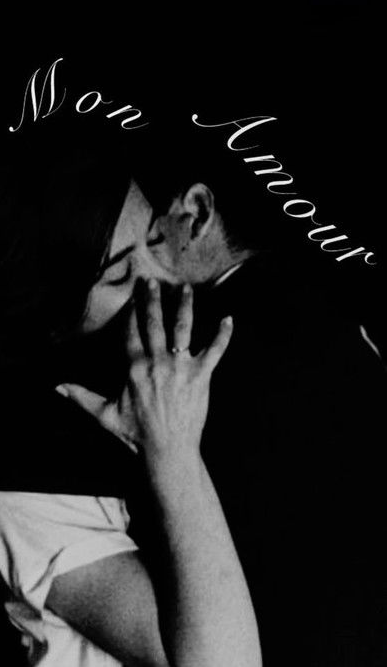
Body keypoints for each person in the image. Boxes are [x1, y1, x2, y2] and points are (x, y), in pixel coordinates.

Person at [50, 128, 387, 666]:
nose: (137, 275)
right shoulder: (339, 317)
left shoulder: (163, 364)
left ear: (197, 212)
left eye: (145, 241)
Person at [0, 126, 262, 667]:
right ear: (52, 317)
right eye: (123, 271)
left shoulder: (134, 375)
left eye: (151, 240)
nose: (156, 276)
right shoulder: (19, 479)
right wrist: (174, 454)